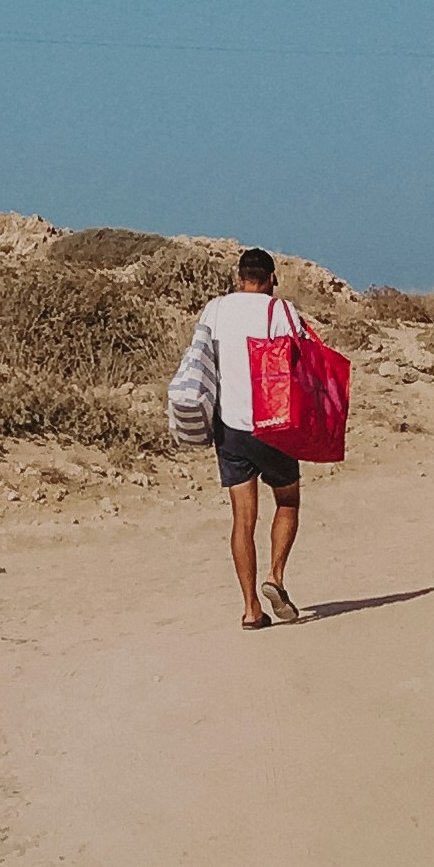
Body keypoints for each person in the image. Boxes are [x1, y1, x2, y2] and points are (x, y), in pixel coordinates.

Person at [168, 244, 316, 628]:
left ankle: (251, 608)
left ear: (238, 278)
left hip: (229, 427)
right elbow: (305, 359)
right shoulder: (280, 310)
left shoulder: (215, 309)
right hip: (273, 424)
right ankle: (276, 576)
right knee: (288, 501)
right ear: (271, 280)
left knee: (241, 519)